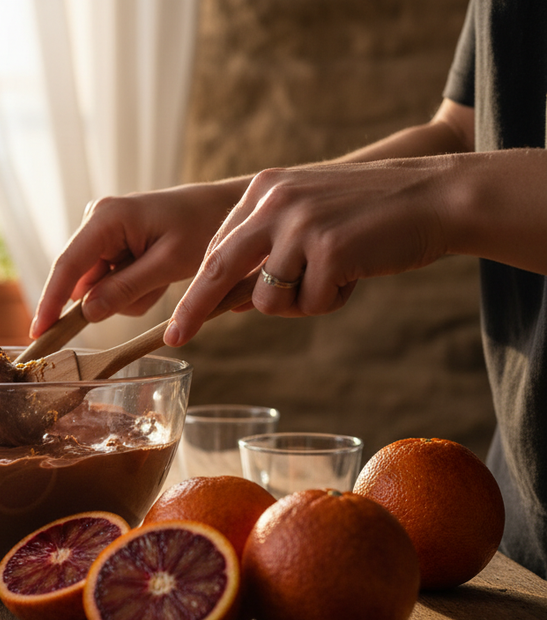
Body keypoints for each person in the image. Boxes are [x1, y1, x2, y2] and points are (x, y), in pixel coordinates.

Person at [28, 1, 547, 577]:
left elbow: (462, 165)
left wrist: (438, 199)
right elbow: (470, 127)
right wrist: (224, 210)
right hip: (520, 532)